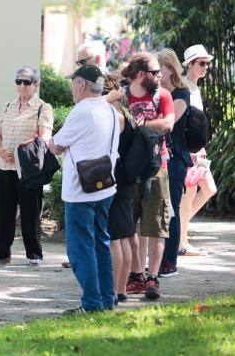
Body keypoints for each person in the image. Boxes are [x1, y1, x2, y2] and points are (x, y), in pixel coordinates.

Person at [50, 64, 119, 314]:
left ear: (81, 85)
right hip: (105, 186)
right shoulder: (110, 110)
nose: (71, 88)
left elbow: (58, 143)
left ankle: (91, 303)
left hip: (81, 190)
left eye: (73, 82)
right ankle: (105, 299)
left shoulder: (82, 111)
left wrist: (52, 142)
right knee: (101, 243)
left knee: (80, 248)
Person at [0, 66, 53, 266]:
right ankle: (2, 253)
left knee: (30, 213)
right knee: (4, 212)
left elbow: (44, 138)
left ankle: (34, 255)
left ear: (36, 84)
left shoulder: (43, 107)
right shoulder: (8, 106)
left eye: (27, 81)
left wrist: (21, 152)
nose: (22, 85)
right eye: (19, 81)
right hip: (4, 166)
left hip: (27, 169)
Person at [122, 53, 175, 300]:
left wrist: (137, 125)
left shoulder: (163, 95)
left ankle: (152, 278)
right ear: (140, 74)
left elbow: (168, 124)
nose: (160, 76)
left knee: (156, 226)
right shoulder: (121, 97)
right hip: (128, 169)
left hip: (157, 167)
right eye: (155, 72)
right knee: (127, 224)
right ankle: (135, 274)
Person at [156, 49, 194, 278]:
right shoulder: (157, 94)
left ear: (170, 69)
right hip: (157, 157)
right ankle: (158, 259)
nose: (156, 74)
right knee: (158, 209)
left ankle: (170, 261)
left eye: (159, 69)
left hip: (176, 158)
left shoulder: (182, 94)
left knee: (172, 209)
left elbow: (171, 121)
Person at [178, 44, 216, 256]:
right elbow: (184, 122)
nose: (205, 67)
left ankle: (178, 233)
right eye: (201, 63)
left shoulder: (194, 86)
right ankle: (181, 242)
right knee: (189, 193)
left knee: (209, 189)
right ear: (189, 64)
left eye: (206, 63)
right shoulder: (184, 87)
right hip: (190, 150)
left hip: (198, 149)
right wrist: (190, 151)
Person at [103, 74, 134, 304]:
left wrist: (103, 100)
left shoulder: (115, 115)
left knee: (116, 238)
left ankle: (114, 289)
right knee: (123, 236)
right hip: (127, 180)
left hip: (116, 180)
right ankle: (120, 289)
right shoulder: (127, 114)